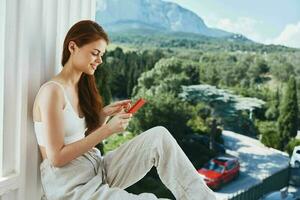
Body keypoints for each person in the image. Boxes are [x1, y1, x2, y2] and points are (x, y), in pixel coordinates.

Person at [32, 20, 216, 200]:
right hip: (70, 186)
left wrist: (103, 115)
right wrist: (108, 130)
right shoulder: (52, 92)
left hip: (94, 168)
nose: (100, 60)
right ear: (73, 47)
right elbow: (56, 157)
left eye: (101, 54)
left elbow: (79, 138)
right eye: (95, 53)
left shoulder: (78, 87)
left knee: (159, 137)